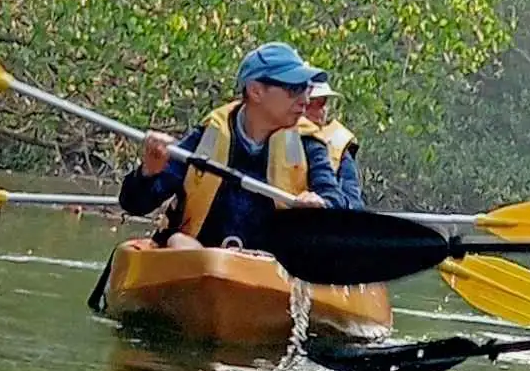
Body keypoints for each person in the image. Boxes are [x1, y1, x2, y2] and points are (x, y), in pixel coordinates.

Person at [118, 42, 342, 249]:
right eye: (294, 90)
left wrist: (321, 204)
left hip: (272, 265)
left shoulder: (308, 143)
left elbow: (336, 201)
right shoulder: (209, 136)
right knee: (178, 242)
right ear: (256, 91)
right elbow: (135, 204)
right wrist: (149, 171)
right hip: (203, 260)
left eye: (307, 89)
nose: (304, 100)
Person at [302, 72, 364, 209]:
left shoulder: (338, 144)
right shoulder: (274, 134)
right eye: (312, 103)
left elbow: (354, 203)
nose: (322, 110)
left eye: (323, 102)